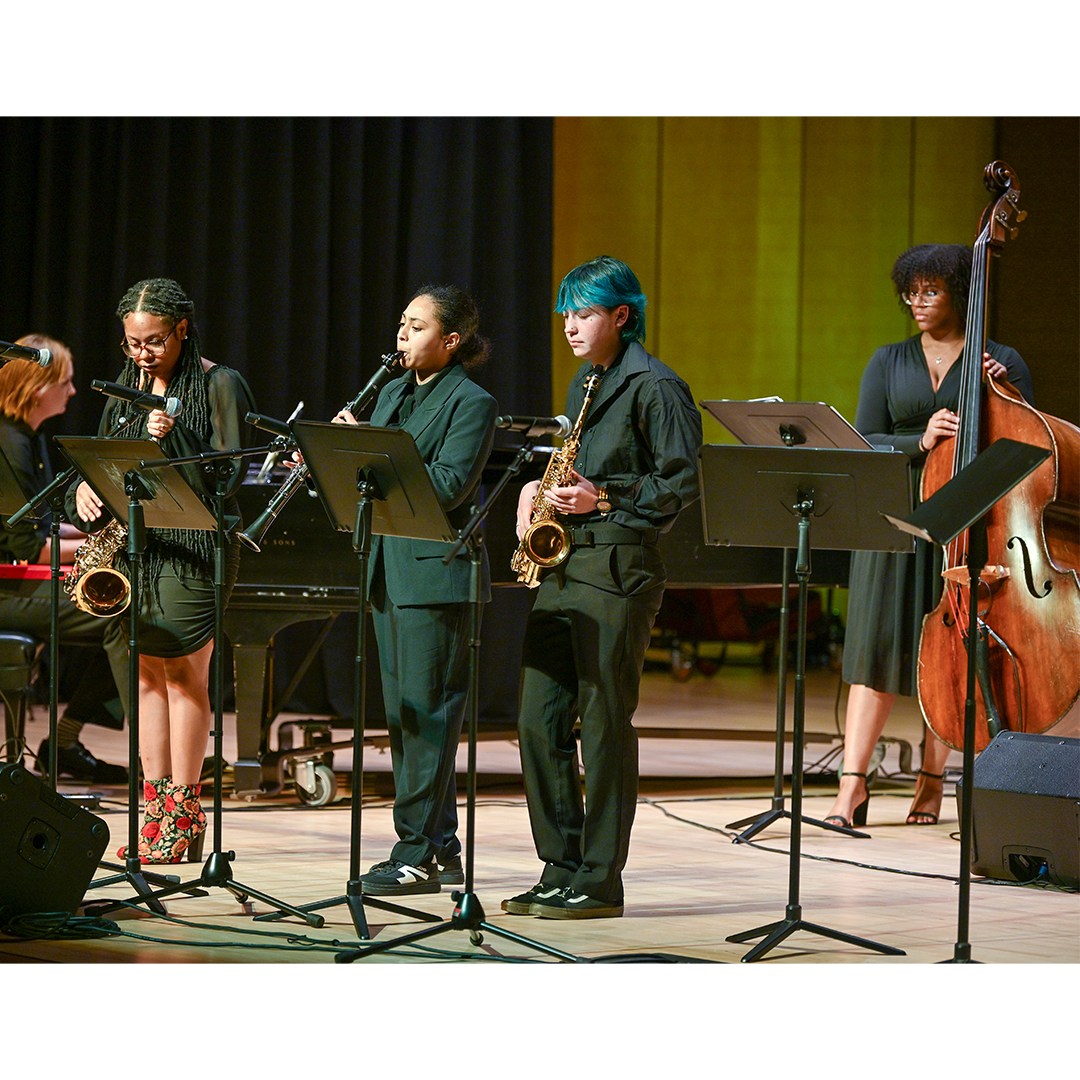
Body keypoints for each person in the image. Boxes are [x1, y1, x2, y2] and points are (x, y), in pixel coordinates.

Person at [504, 256, 702, 919]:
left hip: (619, 570)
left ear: (622, 315)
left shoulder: (657, 387)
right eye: (565, 313)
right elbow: (574, 474)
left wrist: (605, 495)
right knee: (538, 720)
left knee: (605, 726)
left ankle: (598, 878)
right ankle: (558, 866)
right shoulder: (583, 386)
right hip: (566, 567)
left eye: (583, 312)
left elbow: (681, 484)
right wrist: (542, 492)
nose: (570, 325)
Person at [825, 244, 1033, 829]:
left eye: (930, 292)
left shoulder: (1000, 359)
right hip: (892, 520)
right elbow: (864, 439)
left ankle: (933, 776)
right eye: (909, 293)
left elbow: (1024, 442)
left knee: (949, 656)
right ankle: (851, 788)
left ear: (959, 293)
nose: (916, 303)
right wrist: (917, 441)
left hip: (963, 523)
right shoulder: (887, 361)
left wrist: (1005, 392)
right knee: (873, 650)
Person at [66, 279, 256, 863]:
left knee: (184, 677)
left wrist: (176, 440)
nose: (141, 354)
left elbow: (229, 474)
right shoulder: (126, 388)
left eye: (152, 341)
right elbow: (99, 456)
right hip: (138, 547)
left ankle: (183, 815)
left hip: (196, 545)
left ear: (181, 330)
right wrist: (83, 490)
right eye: (131, 343)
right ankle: (154, 815)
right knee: (146, 677)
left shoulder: (221, 383)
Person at [332, 285, 496, 896]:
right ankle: (439, 848)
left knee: (428, 716)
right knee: (406, 716)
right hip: (387, 568)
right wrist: (345, 449)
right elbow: (367, 481)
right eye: (402, 323)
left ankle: (414, 850)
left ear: (450, 342)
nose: (402, 335)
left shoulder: (471, 401)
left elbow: (450, 484)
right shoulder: (394, 392)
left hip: (436, 572)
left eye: (417, 326)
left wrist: (374, 455)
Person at [0, 334, 129, 782]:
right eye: (66, 383)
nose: (72, 392)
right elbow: (27, 547)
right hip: (6, 591)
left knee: (128, 605)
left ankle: (67, 742)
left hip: (16, 580)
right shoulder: (9, 445)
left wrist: (110, 532)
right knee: (123, 614)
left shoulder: (26, 436)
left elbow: (45, 524)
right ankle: (72, 741)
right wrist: (114, 544)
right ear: (39, 388)